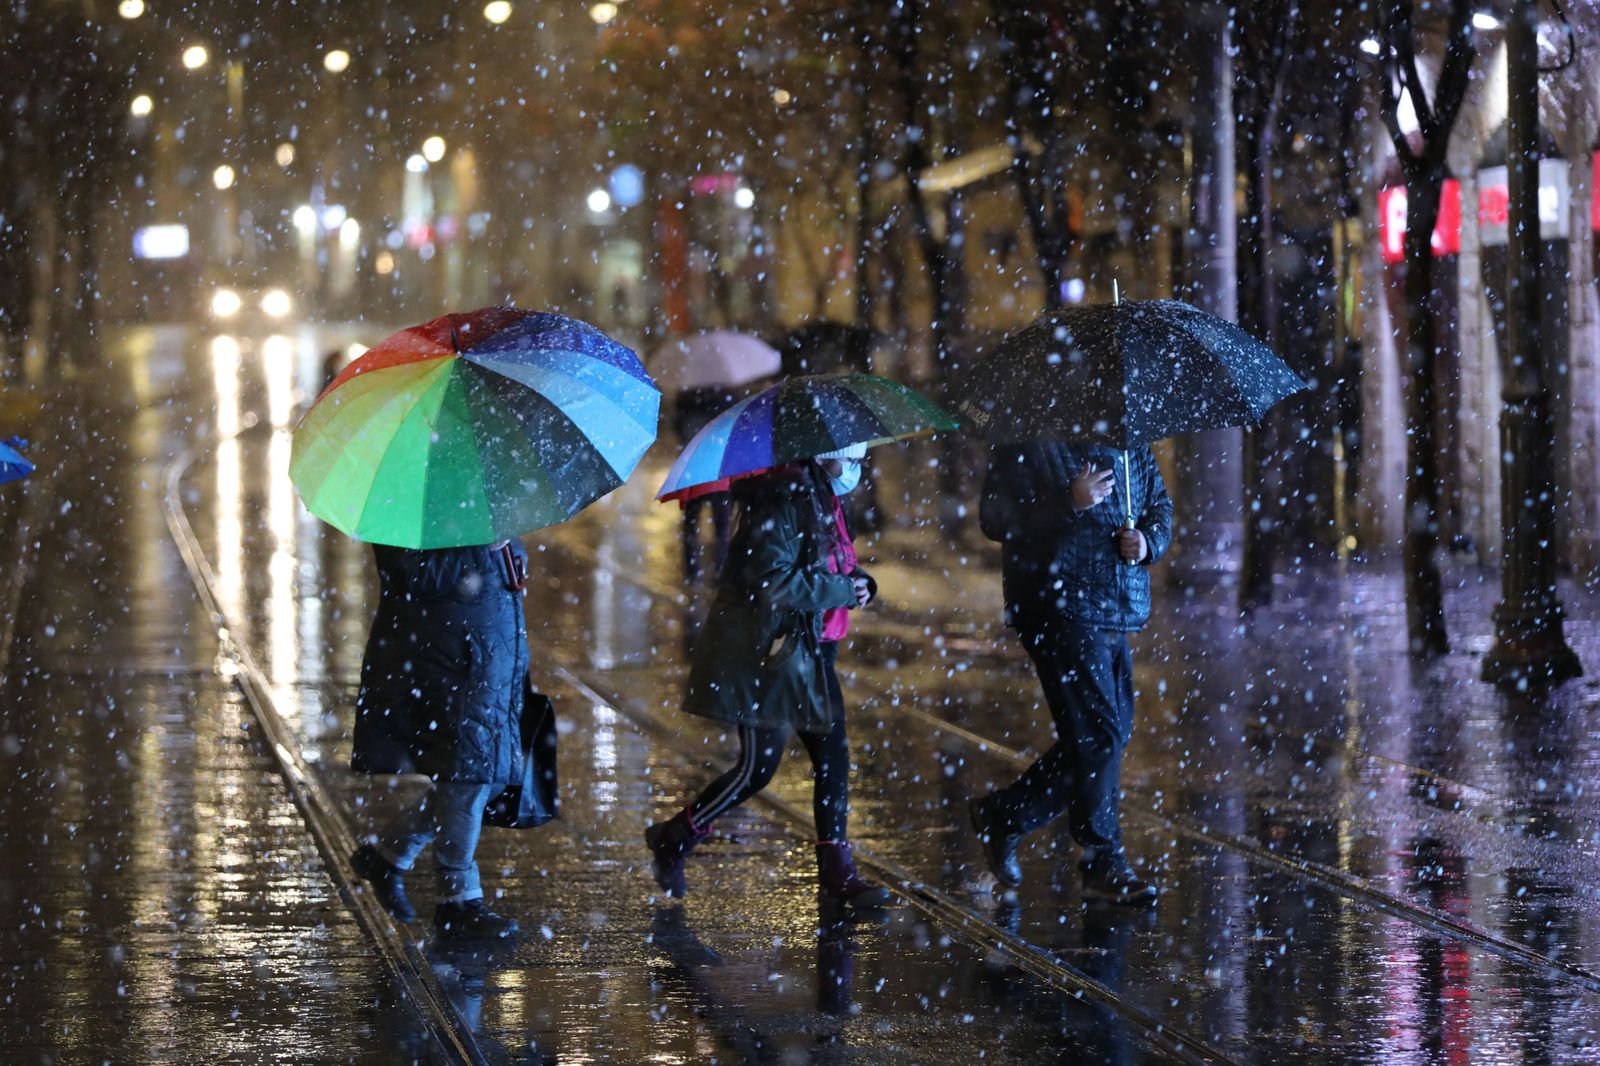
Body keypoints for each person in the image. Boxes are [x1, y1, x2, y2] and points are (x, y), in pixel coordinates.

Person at [646, 443, 891, 908]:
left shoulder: (820, 495)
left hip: (812, 647)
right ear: (824, 456)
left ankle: (837, 869)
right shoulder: (778, 500)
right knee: (756, 770)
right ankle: (675, 837)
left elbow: (827, 560)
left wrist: (861, 582)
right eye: (852, 460)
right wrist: (841, 588)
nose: (856, 470)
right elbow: (772, 581)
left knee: (833, 756)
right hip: (770, 654)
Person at [969, 443, 1172, 906]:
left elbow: (1159, 504)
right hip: (1057, 606)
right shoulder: (1033, 436)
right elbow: (997, 518)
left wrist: (1147, 543)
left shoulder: (1130, 442)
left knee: (1105, 737)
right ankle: (1103, 858)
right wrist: (1068, 502)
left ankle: (1005, 815)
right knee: (1099, 735)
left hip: (1117, 604)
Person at [349, 539, 530, 939]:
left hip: (488, 661)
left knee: (488, 777)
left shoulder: (481, 504)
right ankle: (458, 902)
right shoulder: (411, 503)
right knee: (468, 779)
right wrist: (481, 546)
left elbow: (501, 573)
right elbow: (414, 576)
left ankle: (389, 854)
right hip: (449, 665)